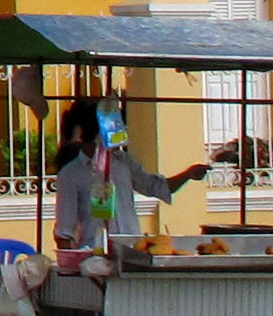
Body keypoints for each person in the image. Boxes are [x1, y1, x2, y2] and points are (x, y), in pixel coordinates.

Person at [47, 94, 210, 257]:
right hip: (95, 255)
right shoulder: (71, 174)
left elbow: (155, 186)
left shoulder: (123, 162)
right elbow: (64, 232)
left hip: (132, 251)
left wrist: (188, 174)